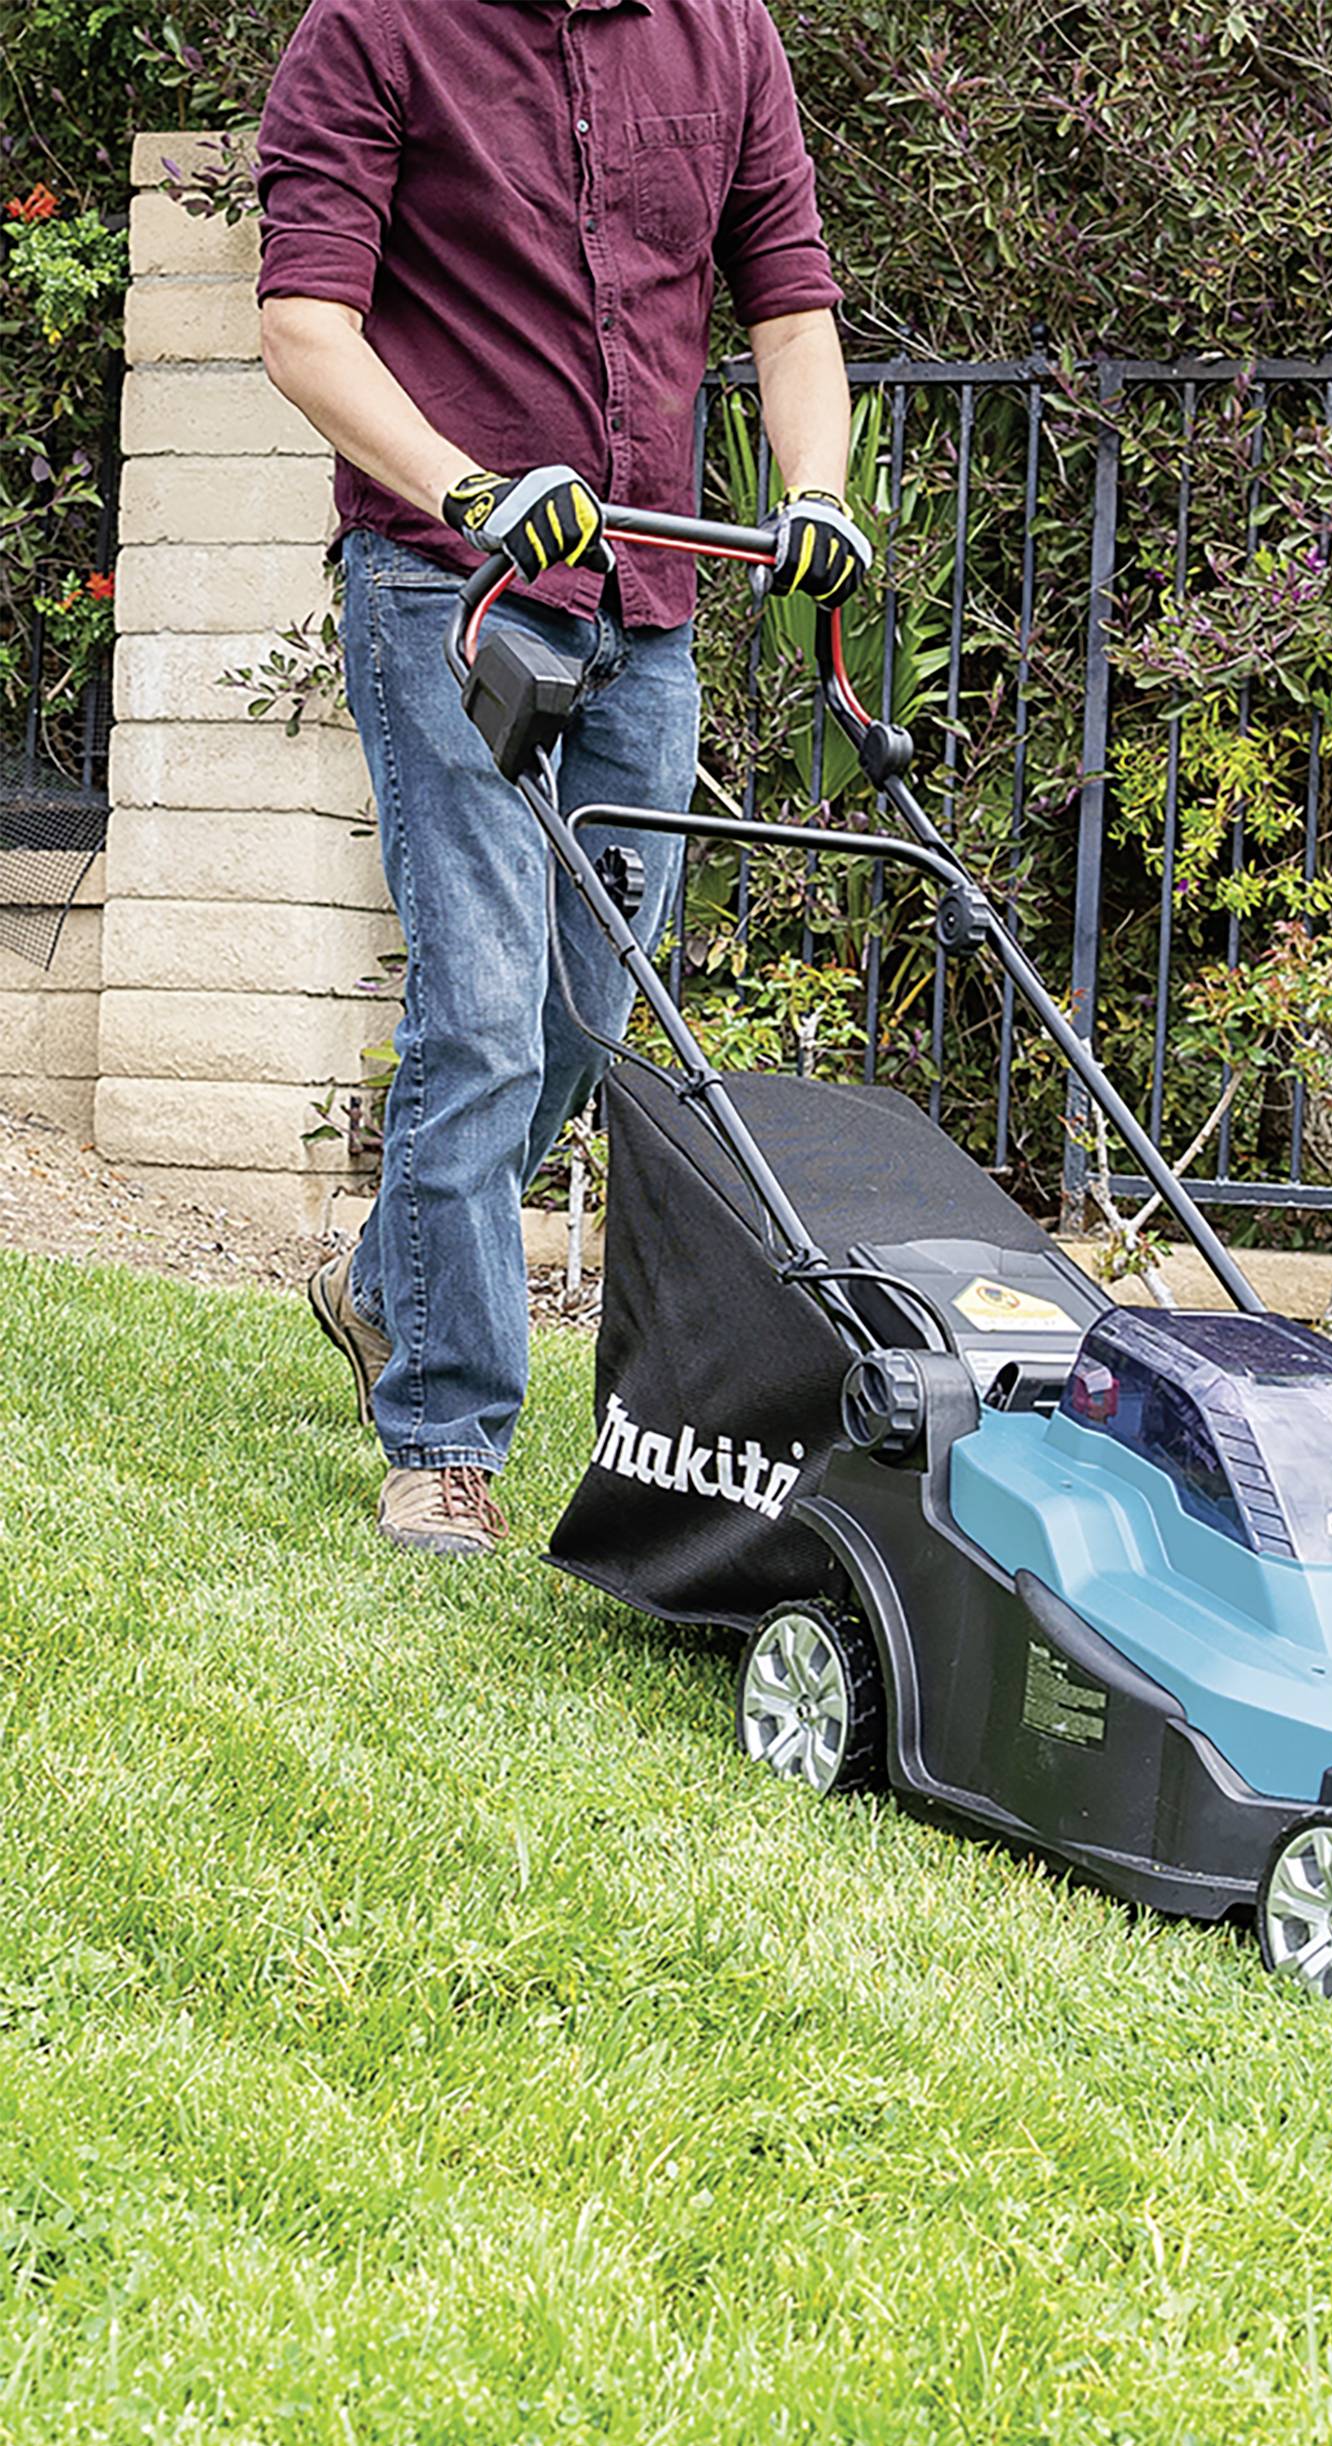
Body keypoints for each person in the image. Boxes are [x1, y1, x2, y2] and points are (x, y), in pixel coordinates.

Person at [255, 0, 872, 1556]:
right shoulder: (376, 30)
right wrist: (468, 488)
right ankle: (445, 1432)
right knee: (474, 1002)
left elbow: (790, 312)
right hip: (444, 587)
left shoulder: (727, 39)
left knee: (586, 1021)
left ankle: (385, 1282)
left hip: (644, 600)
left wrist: (813, 491)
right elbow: (305, 325)